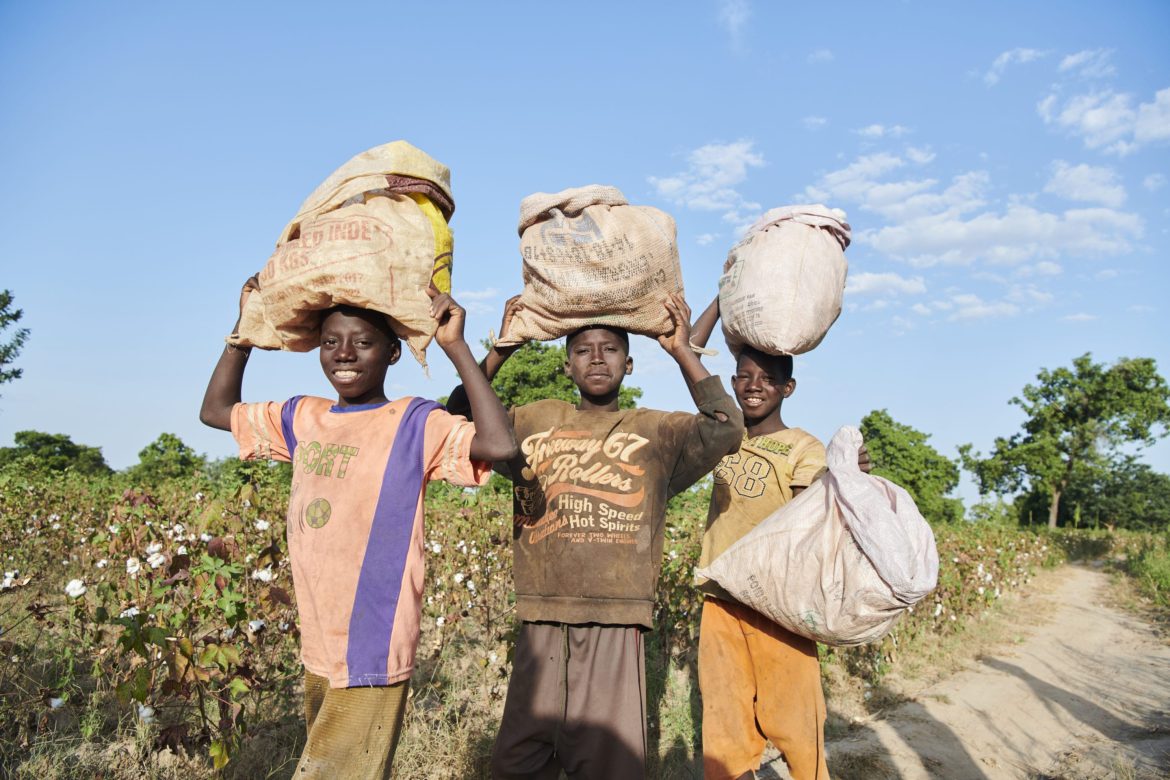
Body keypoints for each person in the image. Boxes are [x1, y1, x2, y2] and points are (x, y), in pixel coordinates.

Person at [199, 276, 517, 779]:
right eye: (330, 342)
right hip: (319, 643)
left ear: (393, 353)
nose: (344, 354)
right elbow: (215, 412)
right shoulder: (303, 415)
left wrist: (454, 346)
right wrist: (243, 333)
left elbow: (499, 448)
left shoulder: (414, 421)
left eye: (363, 342)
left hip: (372, 640)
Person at [445, 293, 744, 779]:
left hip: (617, 616)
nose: (597, 358)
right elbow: (454, 422)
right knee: (518, 761)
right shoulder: (533, 419)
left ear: (629, 365)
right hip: (541, 614)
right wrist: (503, 348)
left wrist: (681, 350)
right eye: (583, 350)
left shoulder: (656, 431)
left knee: (608, 764)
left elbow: (727, 429)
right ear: (566, 366)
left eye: (610, 349)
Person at [689, 296, 869, 780]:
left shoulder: (803, 447)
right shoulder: (722, 431)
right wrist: (726, 298)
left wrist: (843, 480)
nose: (754, 387)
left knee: (795, 720)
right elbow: (688, 349)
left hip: (779, 603)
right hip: (721, 597)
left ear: (788, 387)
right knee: (725, 725)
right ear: (731, 383)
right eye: (745, 377)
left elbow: (815, 505)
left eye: (768, 379)